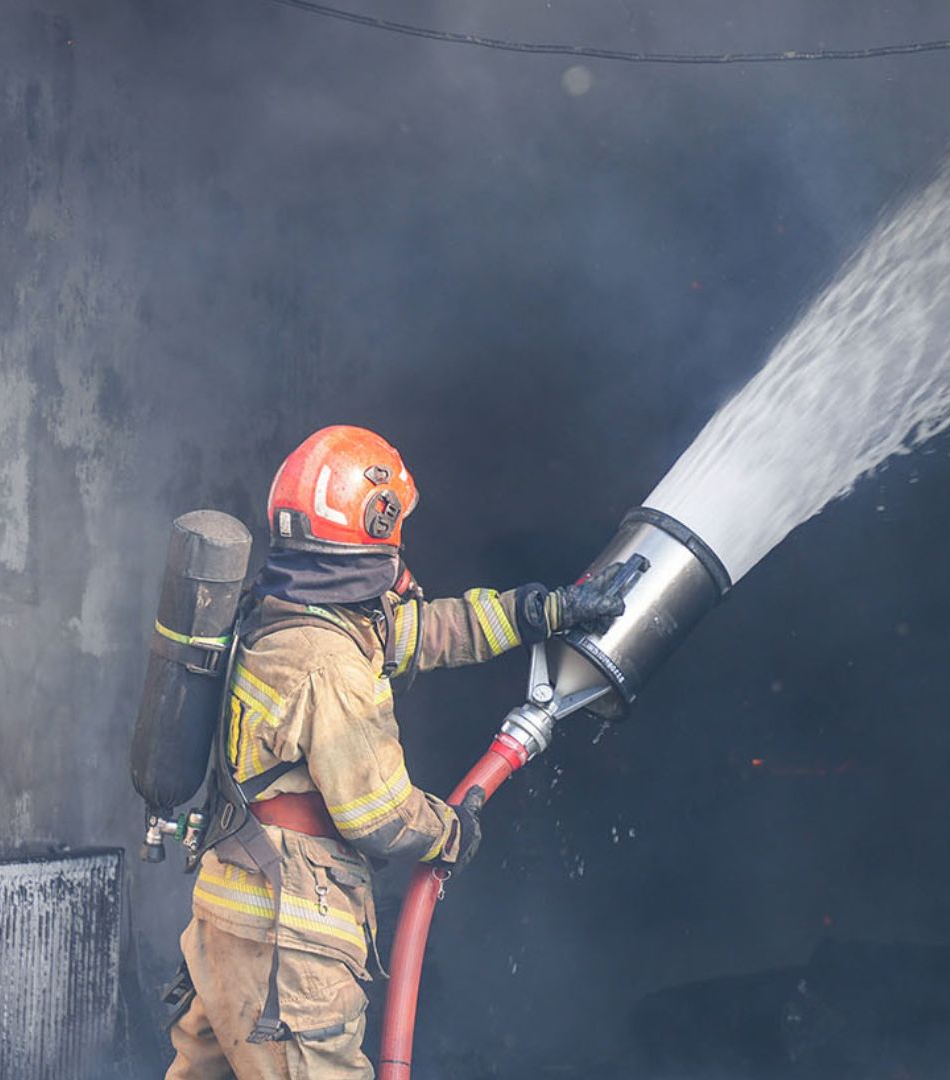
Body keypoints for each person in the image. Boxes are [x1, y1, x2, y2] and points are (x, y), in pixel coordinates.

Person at [165, 425, 629, 1079]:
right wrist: (451, 831)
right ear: (374, 523)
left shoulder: (289, 612)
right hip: (286, 950)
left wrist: (540, 611)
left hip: (231, 924)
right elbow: (377, 814)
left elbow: (426, 631)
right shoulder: (330, 664)